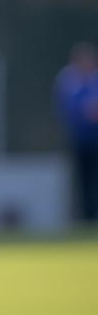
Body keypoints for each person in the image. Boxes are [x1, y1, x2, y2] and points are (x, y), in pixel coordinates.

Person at [54, 43, 98, 221]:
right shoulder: (68, 80)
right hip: (80, 139)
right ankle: (88, 216)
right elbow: (67, 108)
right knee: (84, 179)